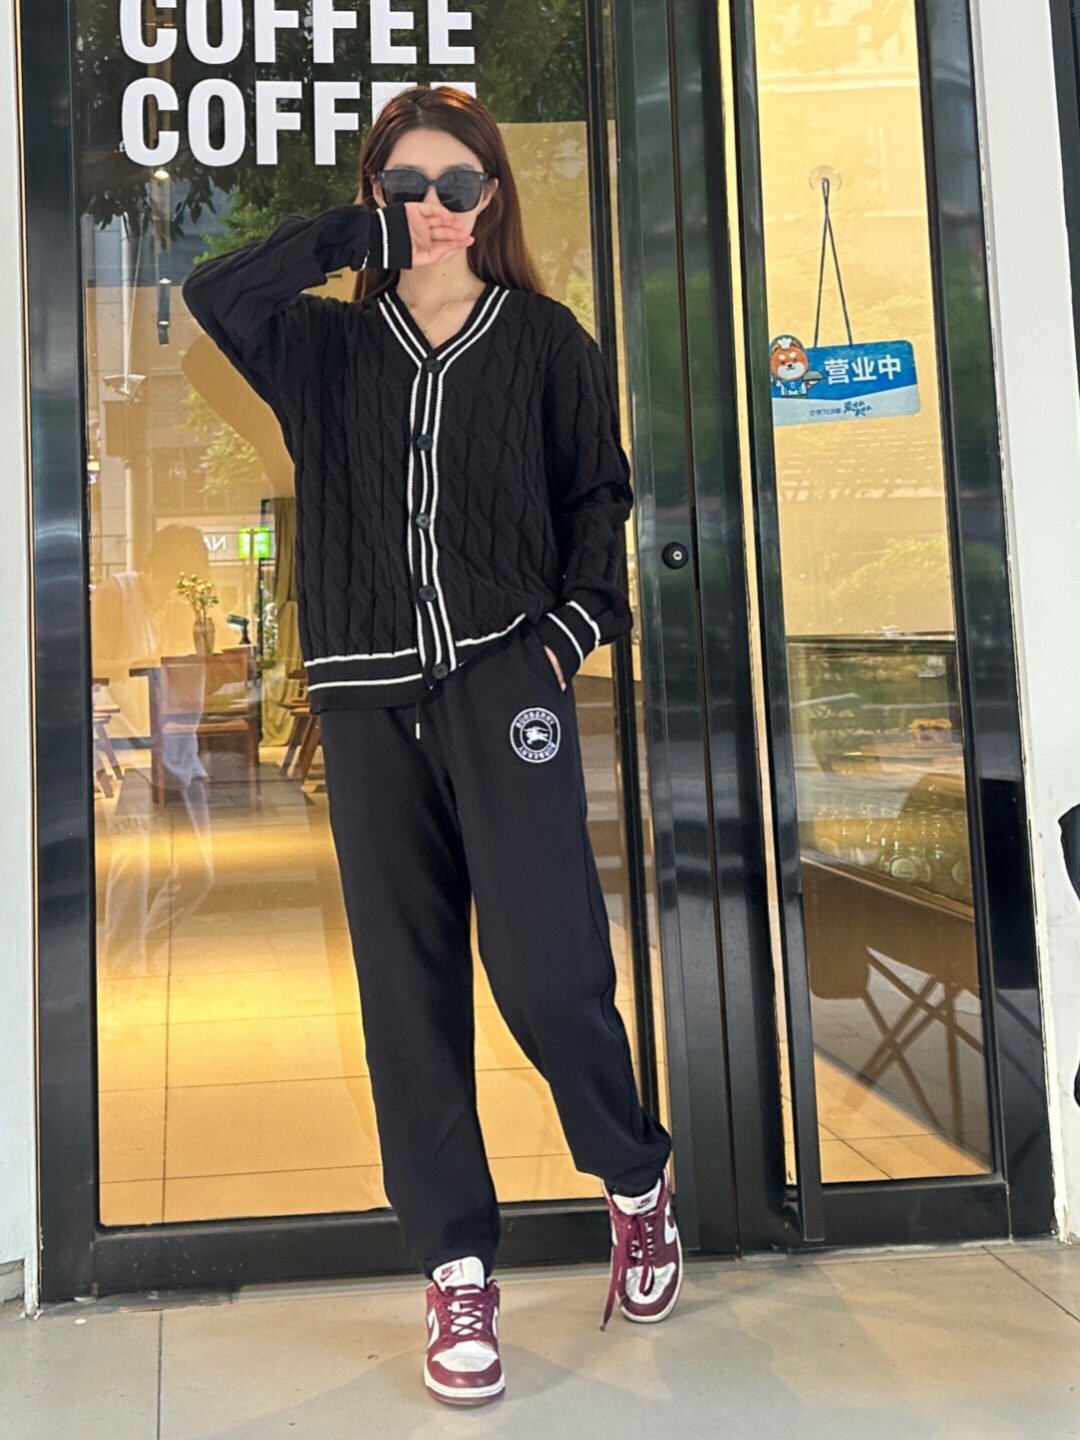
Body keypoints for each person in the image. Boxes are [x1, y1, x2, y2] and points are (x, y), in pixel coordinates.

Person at [181, 83, 680, 1408]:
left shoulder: (547, 341)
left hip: (503, 683)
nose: (436, 208)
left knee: (548, 970)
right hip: (363, 702)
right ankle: (456, 1268)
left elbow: (598, 497)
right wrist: (352, 239)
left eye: (459, 186)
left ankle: (635, 1178)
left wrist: (567, 633)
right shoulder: (322, 349)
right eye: (407, 186)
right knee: (407, 995)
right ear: (377, 197)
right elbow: (215, 291)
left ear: (492, 198)